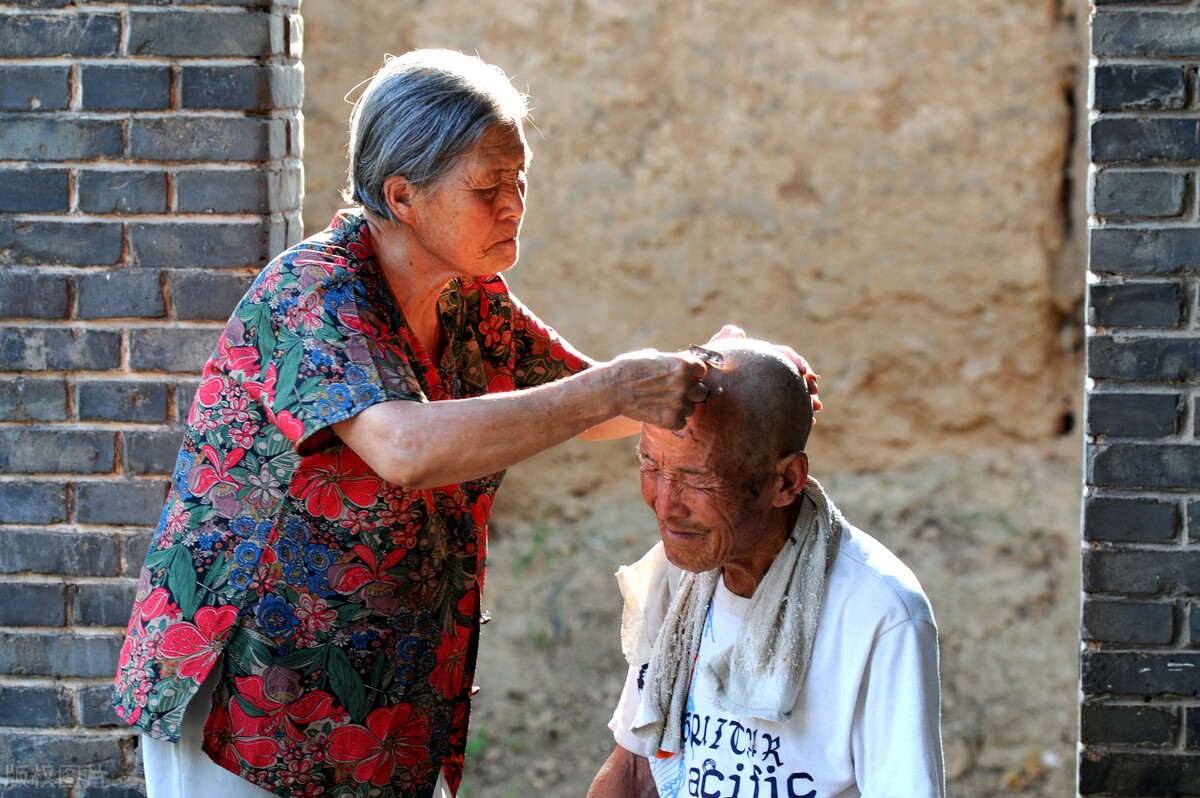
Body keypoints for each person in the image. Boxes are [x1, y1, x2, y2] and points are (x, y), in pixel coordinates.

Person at [112, 49, 717, 798]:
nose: (513, 205)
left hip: (379, 700)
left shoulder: (469, 297)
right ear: (403, 195)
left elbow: (592, 405)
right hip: (249, 690)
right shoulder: (313, 289)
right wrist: (611, 390)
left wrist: (712, 370)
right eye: (488, 186)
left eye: (520, 179)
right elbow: (403, 446)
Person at [588, 335, 945, 798]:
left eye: (698, 479)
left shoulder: (879, 613)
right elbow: (637, 771)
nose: (665, 504)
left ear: (786, 481)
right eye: (650, 466)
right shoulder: (680, 572)